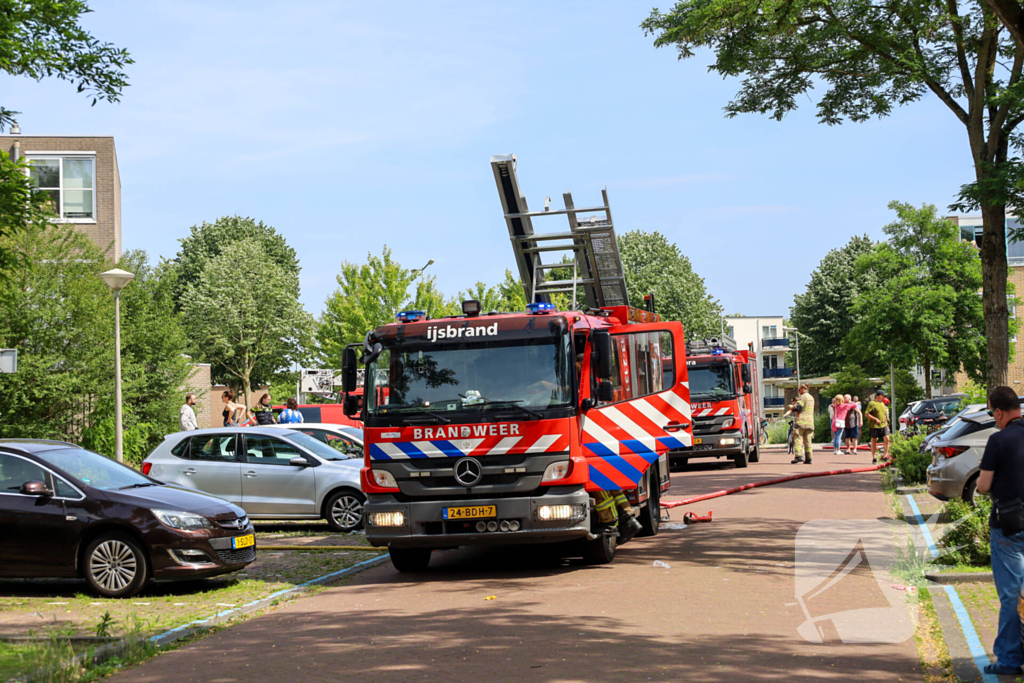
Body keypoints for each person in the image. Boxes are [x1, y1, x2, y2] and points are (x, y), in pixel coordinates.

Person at [976, 386, 1024, 676]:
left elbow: (982, 486)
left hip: (1009, 526)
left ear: (998, 411)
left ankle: (1008, 659)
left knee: (1010, 593)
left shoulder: (998, 440)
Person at [790, 384, 815, 465]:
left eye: (799, 390)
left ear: (803, 389)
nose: (799, 391)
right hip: (810, 422)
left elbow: (799, 408)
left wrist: (792, 407)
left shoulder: (802, 397)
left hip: (801, 422)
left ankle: (798, 456)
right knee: (808, 440)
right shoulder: (811, 397)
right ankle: (809, 458)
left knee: (798, 438)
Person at [865, 390, 890, 463]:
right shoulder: (872, 403)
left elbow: (884, 415)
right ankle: (874, 457)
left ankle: (885, 456)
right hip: (874, 425)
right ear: (879, 396)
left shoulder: (882, 404)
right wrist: (875, 419)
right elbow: (867, 414)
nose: (884, 397)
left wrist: (887, 425)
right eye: (883, 395)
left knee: (887, 439)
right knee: (874, 440)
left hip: (883, 425)